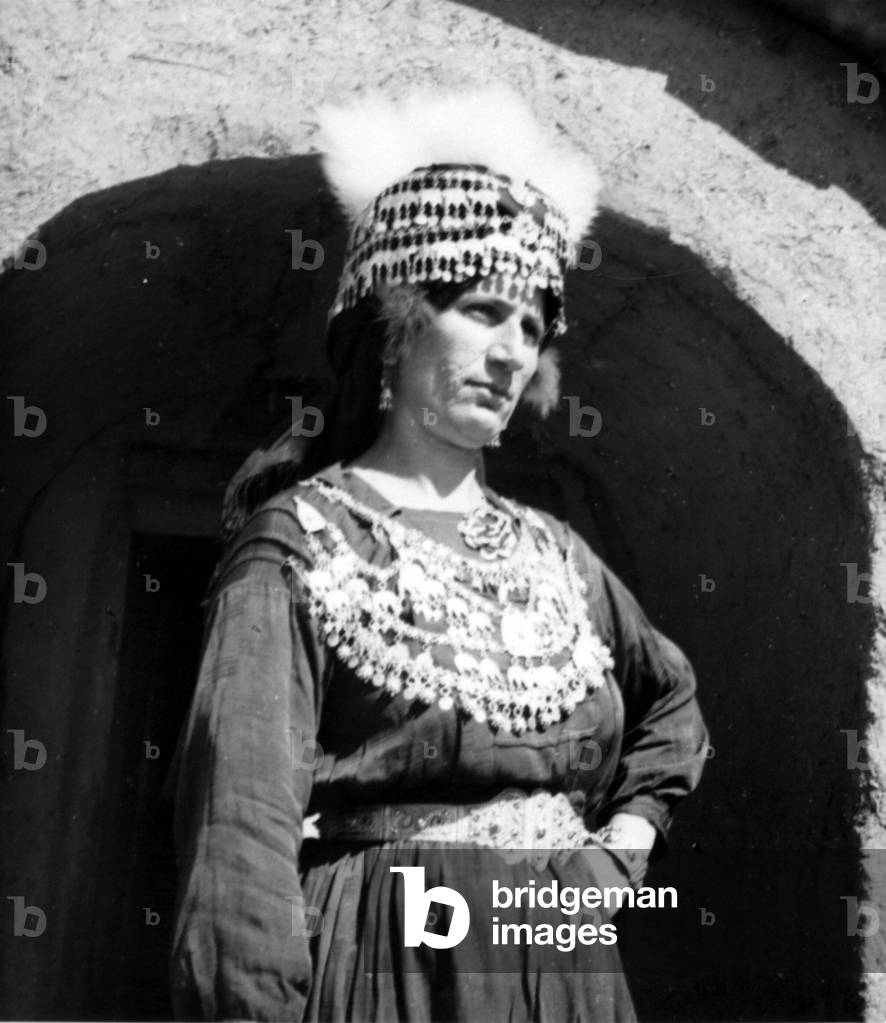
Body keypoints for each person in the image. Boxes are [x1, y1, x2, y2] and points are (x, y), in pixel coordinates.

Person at [169, 83, 708, 1022]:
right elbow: (240, 836)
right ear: (396, 325)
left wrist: (619, 848)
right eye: (485, 312)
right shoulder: (294, 547)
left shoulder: (558, 556)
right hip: (393, 963)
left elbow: (672, 703)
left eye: (533, 328)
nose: (513, 353)